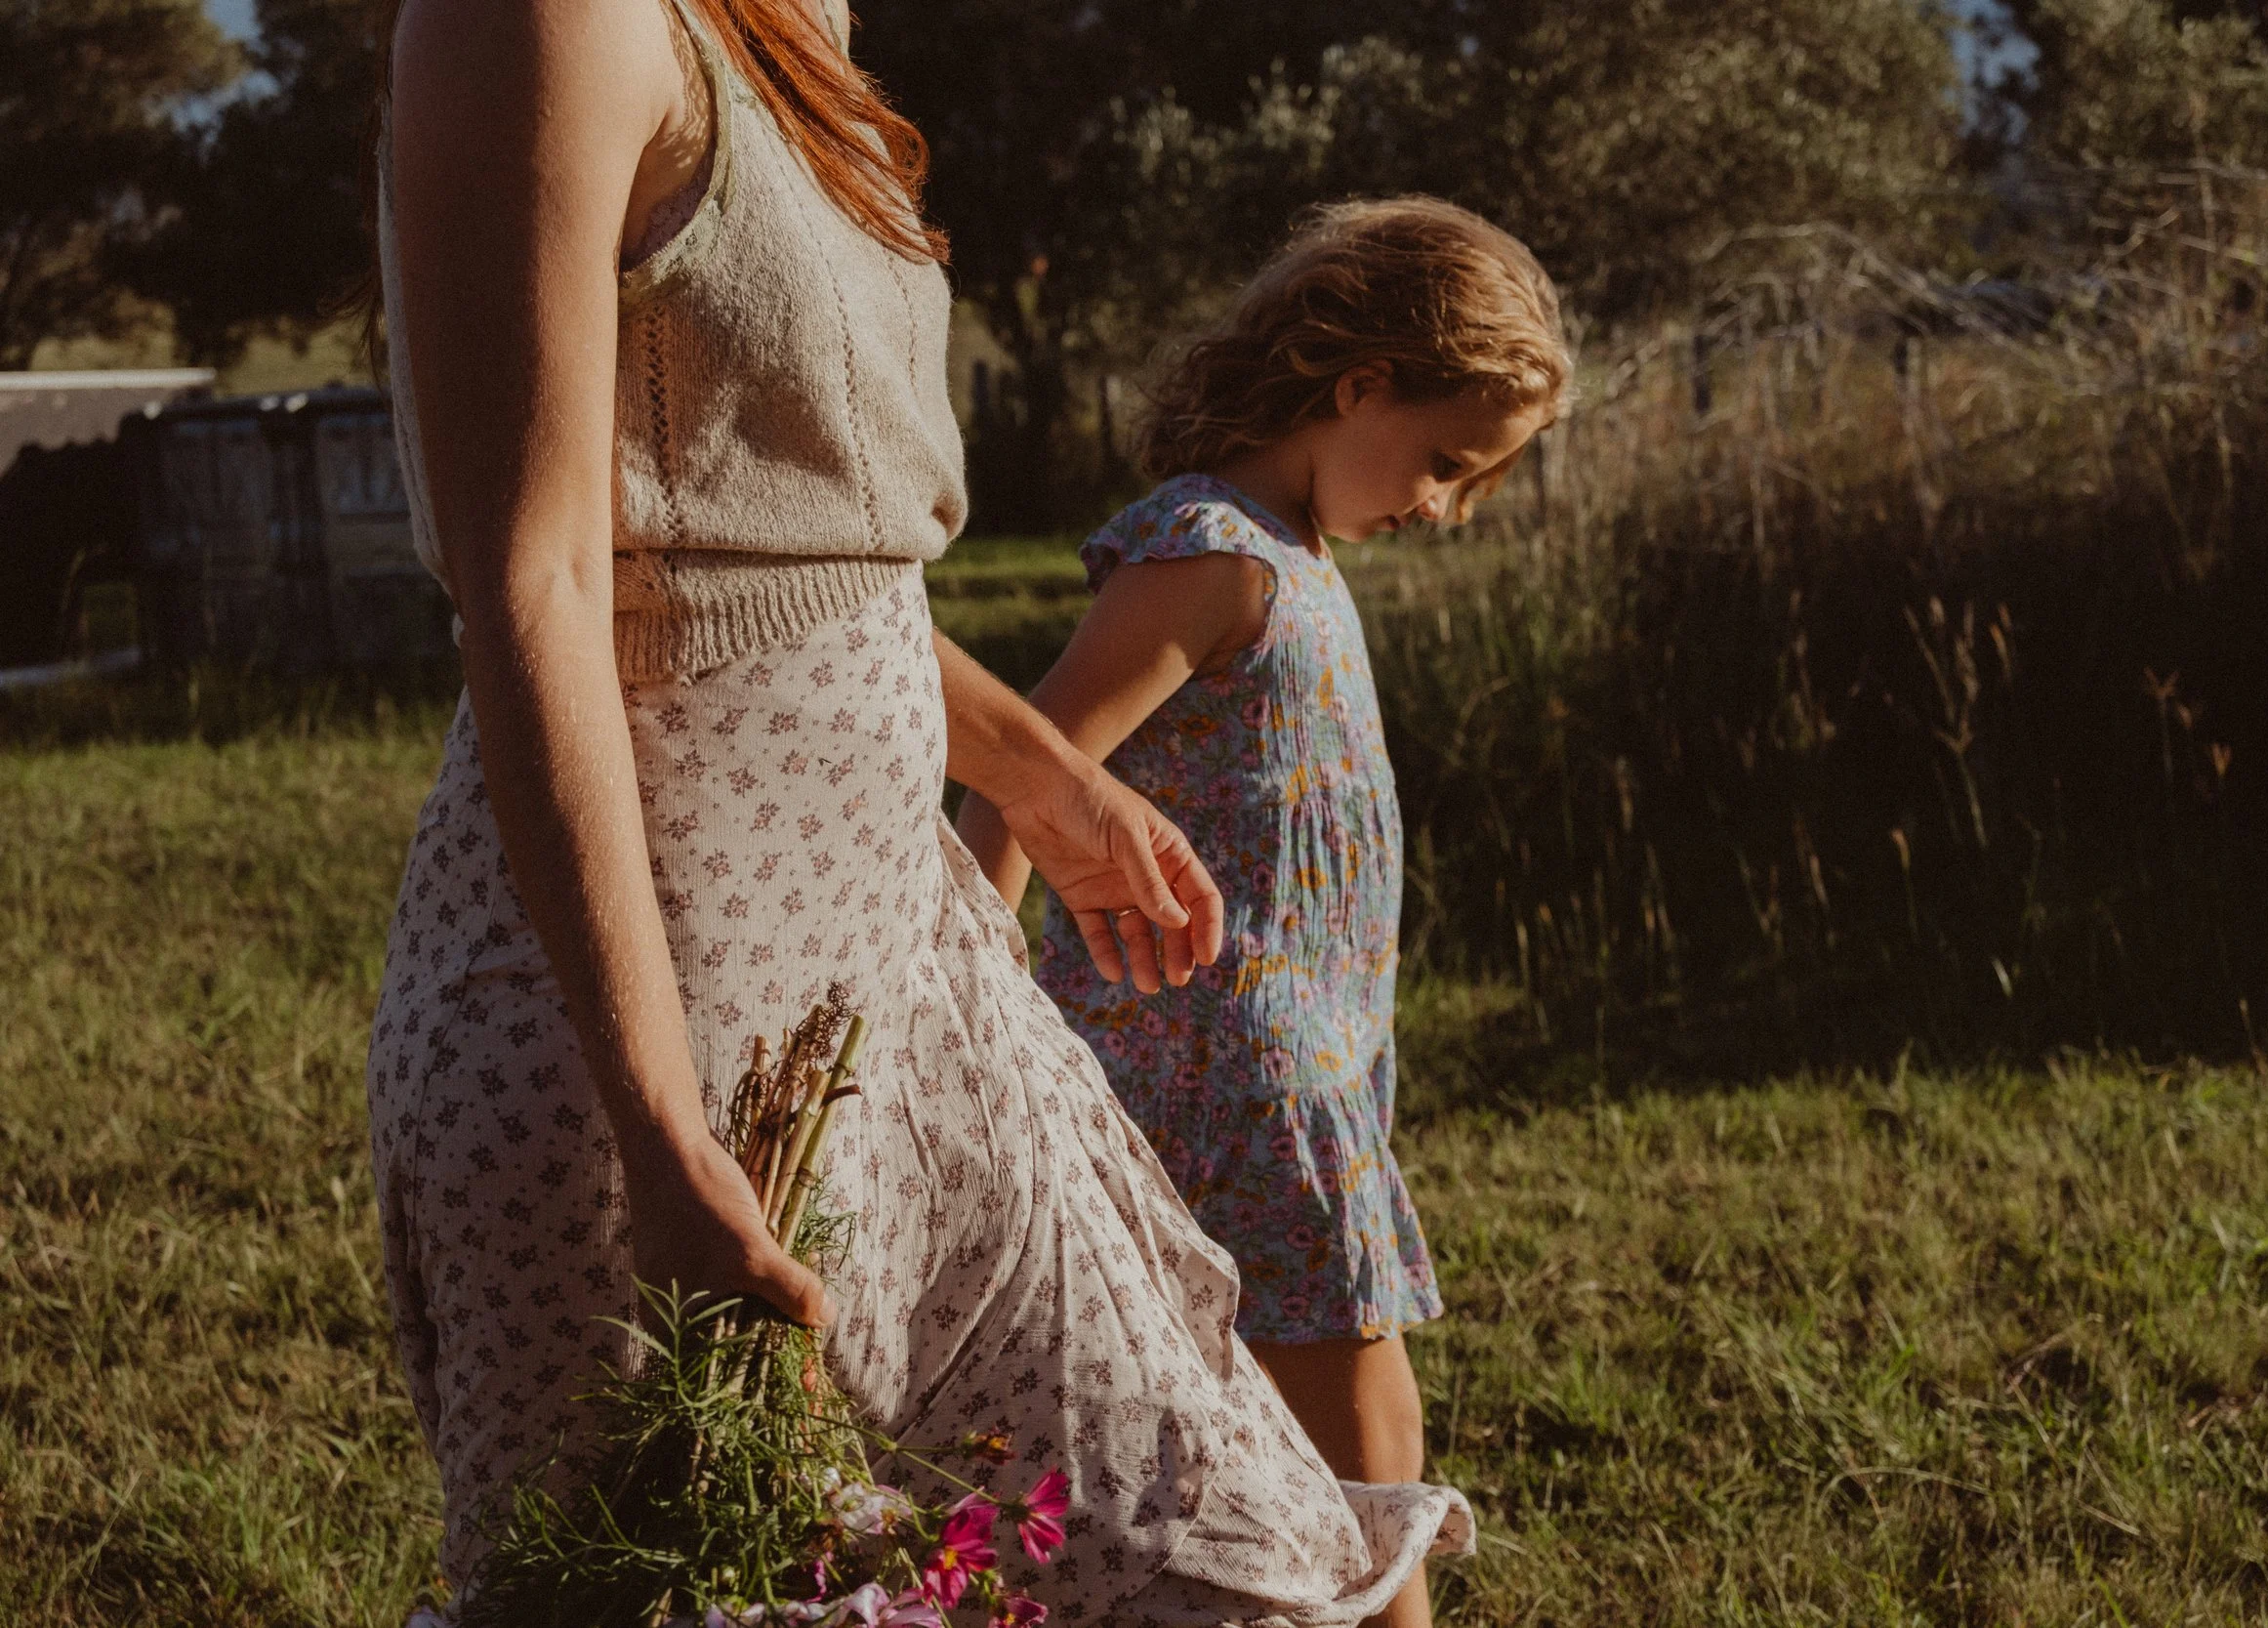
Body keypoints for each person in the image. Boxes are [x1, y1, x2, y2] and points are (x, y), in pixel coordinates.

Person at [364, 0, 1472, 1618]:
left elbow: (804, 541)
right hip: (655, 1022)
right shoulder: (545, 17)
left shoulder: (797, 24)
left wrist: (1044, 778)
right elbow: (534, 582)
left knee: (1216, 1547)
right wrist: (661, 1136)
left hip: (905, 982)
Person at [956, 199, 1572, 1628]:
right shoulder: (1211, 547)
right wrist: (980, 1018)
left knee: (1296, 1428)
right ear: (1358, 385)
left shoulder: (1291, 556)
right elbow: (1021, 780)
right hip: (1229, 1062)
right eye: (1443, 461)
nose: (1442, 505)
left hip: (1302, 1059)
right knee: (1361, 1422)